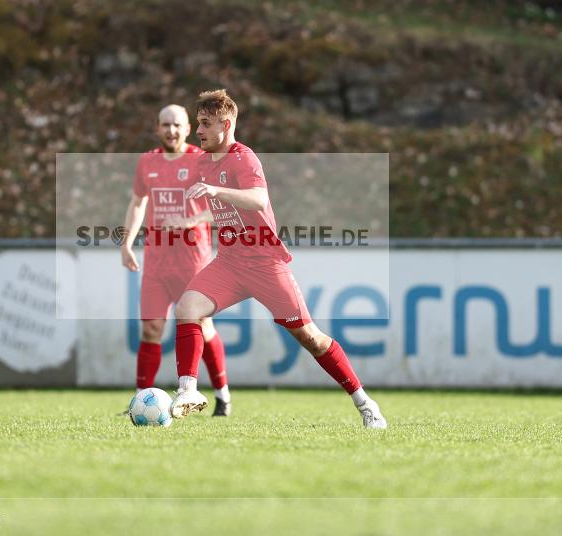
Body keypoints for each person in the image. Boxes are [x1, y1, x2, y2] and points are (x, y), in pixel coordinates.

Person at [170, 89, 387, 428]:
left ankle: (364, 402)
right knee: (187, 309)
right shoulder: (201, 162)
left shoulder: (244, 158)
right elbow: (223, 212)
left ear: (226, 125)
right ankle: (188, 391)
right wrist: (193, 218)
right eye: (198, 123)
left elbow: (257, 199)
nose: (198, 131)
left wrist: (216, 191)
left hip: (265, 263)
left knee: (310, 337)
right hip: (228, 263)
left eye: (205, 124)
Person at [120, 104, 231, 416]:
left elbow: (221, 204)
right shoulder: (147, 161)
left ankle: (222, 394)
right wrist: (127, 242)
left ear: (188, 128)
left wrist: (189, 220)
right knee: (151, 330)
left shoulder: (202, 160)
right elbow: (138, 202)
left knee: (203, 326)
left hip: (192, 262)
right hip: (156, 263)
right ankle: (139, 402)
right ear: (157, 128)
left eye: (177, 125)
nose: (171, 130)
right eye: (165, 125)